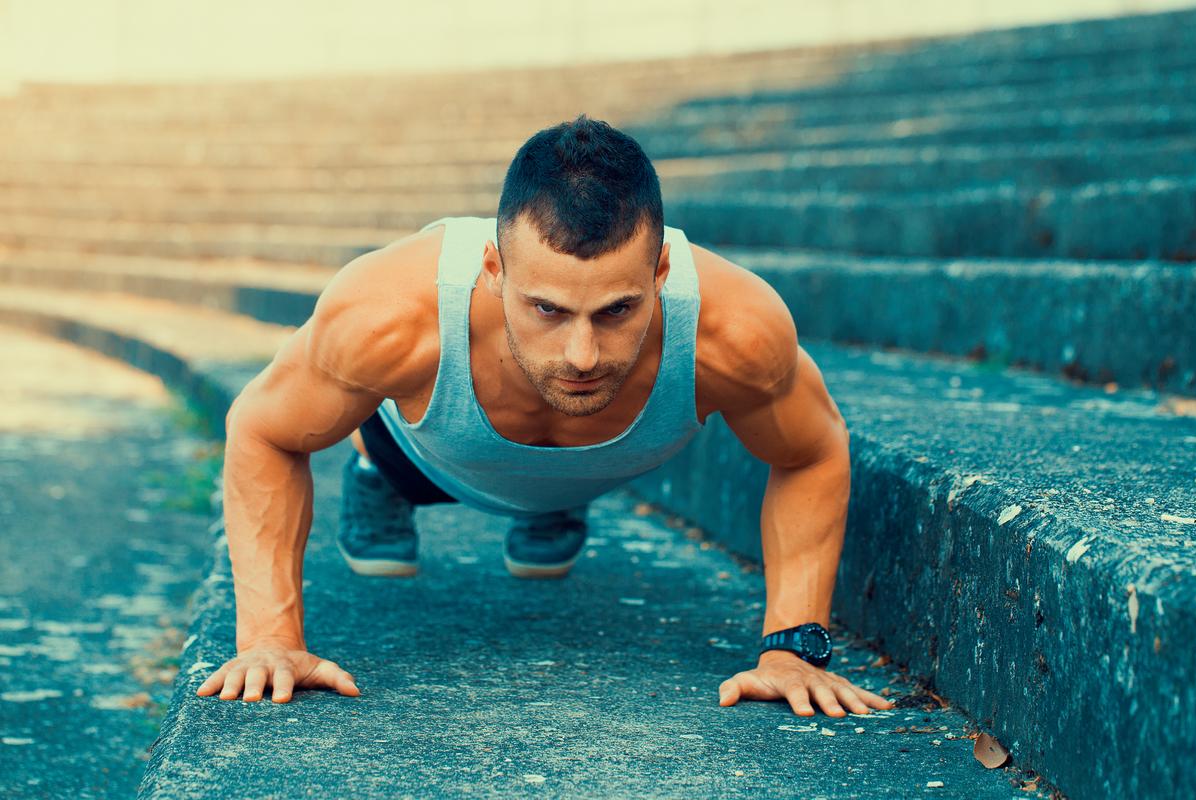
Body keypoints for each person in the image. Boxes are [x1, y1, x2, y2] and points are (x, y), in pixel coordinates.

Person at [196, 115, 895, 720]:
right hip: (424, 449)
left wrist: (793, 647)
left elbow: (811, 450)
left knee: (568, 419)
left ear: (660, 275)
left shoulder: (735, 329)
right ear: (495, 269)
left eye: (617, 311)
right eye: (547, 310)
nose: (583, 353)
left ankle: (549, 502)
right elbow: (262, 428)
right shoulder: (388, 313)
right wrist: (269, 638)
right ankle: (374, 470)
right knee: (373, 421)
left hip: (588, 464)